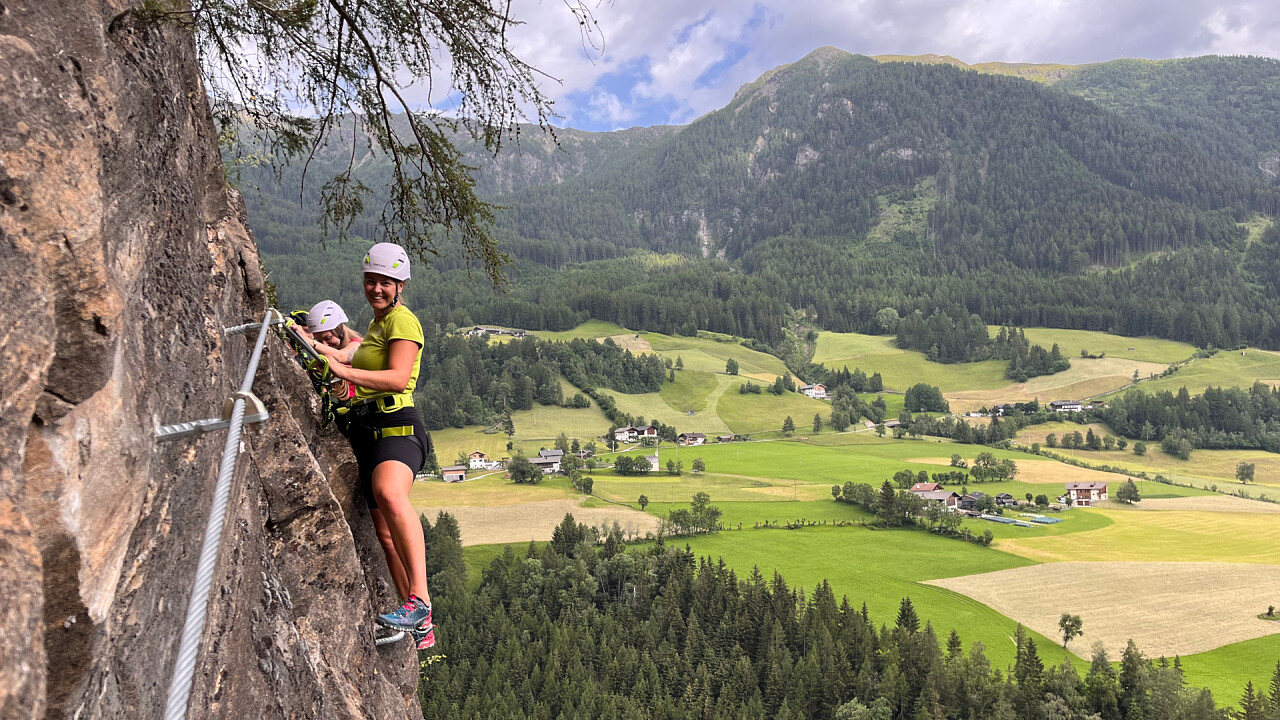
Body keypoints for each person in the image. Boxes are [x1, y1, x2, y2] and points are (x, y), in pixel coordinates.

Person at [325, 243, 435, 649]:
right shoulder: (376, 324)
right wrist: (327, 352)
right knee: (385, 537)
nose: (376, 289)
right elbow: (355, 350)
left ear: (400, 285)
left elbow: (396, 377)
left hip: (399, 427)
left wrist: (339, 366)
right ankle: (422, 625)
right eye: (371, 281)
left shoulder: (403, 321)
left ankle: (419, 600)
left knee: (391, 493)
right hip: (371, 431)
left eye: (385, 283)